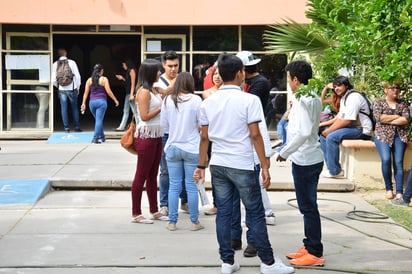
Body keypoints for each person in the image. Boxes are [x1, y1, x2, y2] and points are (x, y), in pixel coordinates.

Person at [193, 53, 294, 274]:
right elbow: (255, 135)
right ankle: (268, 262)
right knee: (255, 213)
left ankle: (227, 262)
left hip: (218, 164)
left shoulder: (208, 102)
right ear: (240, 73)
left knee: (224, 214)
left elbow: (204, 137)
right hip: (243, 164)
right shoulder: (250, 100)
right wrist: (265, 165)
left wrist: (201, 166)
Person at [275, 60, 325, 267]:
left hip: (306, 159)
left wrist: (285, 152)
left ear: (295, 79)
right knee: (307, 206)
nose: (288, 83)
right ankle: (309, 245)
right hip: (309, 157)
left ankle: (314, 252)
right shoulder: (311, 95)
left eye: (288, 79)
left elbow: (304, 132)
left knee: (308, 207)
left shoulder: (303, 98)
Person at [160, 72, 204, 231]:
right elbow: (202, 123)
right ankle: (194, 222)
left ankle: (172, 222)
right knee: (191, 186)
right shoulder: (196, 100)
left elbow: (164, 126)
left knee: (174, 186)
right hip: (192, 148)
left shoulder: (167, 100)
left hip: (172, 147)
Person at [130, 58, 166, 224]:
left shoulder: (154, 89)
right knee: (141, 174)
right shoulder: (144, 92)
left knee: (153, 175)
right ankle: (136, 213)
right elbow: (144, 116)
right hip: (146, 135)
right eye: (158, 70)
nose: (161, 73)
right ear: (151, 72)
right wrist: (162, 107)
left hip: (156, 134)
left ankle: (154, 209)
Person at [154, 50, 188, 218]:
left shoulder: (184, 80)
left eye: (176, 66)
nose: (173, 69)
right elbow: (160, 96)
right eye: (170, 66)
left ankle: (185, 200)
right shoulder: (157, 82)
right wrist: (170, 89)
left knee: (185, 169)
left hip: (184, 131)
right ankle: (164, 204)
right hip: (165, 132)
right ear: (163, 65)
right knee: (166, 171)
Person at [319, 76, 373, 178]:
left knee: (331, 137)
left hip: (362, 129)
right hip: (353, 128)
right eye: (335, 87)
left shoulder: (354, 97)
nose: (336, 89)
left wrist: (329, 131)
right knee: (323, 136)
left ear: (346, 85)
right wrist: (325, 128)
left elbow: (348, 120)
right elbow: (340, 117)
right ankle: (332, 168)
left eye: (339, 86)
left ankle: (335, 171)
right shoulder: (345, 98)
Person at [372, 81, 409, 199]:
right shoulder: (379, 102)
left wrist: (387, 119)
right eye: (392, 88)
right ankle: (388, 188)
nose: (395, 90)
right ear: (386, 90)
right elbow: (379, 118)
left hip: (399, 135)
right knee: (386, 159)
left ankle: (399, 191)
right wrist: (397, 117)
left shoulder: (403, 103)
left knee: (398, 162)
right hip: (382, 135)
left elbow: (405, 119)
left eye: (397, 88)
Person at [201, 64, 223, 216]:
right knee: (214, 171)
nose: (216, 77)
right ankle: (217, 203)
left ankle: (224, 203)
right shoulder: (206, 93)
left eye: (220, 74)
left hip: (223, 135)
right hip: (210, 136)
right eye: (214, 74)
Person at [80, 64, 119, 144]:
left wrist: (83, 103)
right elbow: (109, 91)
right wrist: (115, 100)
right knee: (99, 120)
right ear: (101, 71)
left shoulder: (89, 80)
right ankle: (95, 138)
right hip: (101, 103)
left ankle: (102, 137)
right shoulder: (104, 79)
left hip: (92, 103)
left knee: (98, 120)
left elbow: (85, 93)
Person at [52, 48, 82, 133]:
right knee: (75, 108)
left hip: (62, 90)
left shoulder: (55, 64)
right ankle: (76, 127)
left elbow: (53, 80)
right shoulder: (72, 62)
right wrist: (78, 87)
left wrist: (59, 86)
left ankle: (66, 128)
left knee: (63, 109)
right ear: (66, 53)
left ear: (58, 54)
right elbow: (77, 76)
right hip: (72, 88)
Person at [115, 59, 137, 131]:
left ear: (127, 64)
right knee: (126, 110)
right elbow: (128, 83)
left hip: (131, 93)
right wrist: (122, 78)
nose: (123, 66)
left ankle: (140, 125)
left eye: (124, 64)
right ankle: (122, 126)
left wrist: (131, 95)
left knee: (134, 111)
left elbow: (133, 84)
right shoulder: (128, 72)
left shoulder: (132, 71)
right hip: (128, 93)